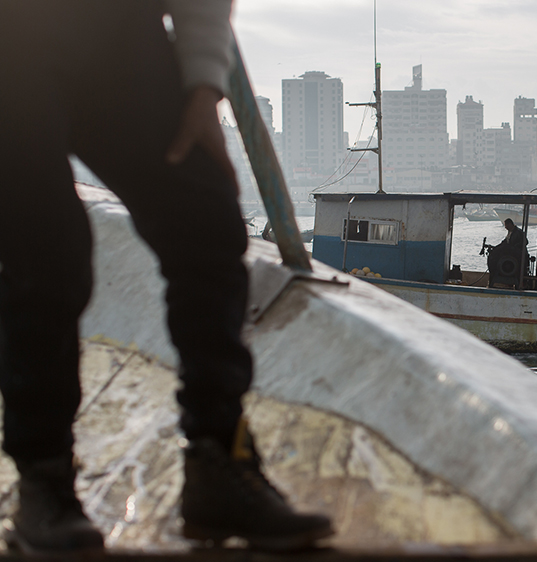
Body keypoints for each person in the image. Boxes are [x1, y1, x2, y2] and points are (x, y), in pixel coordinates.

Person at [0, 1, 332, 553]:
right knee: (47, 252)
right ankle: (44, 482)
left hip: (118, 33)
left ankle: (218, 459)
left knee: (208, 223)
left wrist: (204, 86)